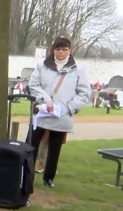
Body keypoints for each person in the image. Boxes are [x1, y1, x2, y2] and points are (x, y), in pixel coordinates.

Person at [27, 36, 92, 188]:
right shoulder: (41, 65)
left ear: (70, 50)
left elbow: (84, 93)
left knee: (55, 147)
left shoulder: (78, 69)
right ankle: (26, 174)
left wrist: (68, 108)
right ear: (53, 50)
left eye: (64, 49)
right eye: (58, 49)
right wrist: (46, 99)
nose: (61, 52)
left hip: (62, 114)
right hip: (42, 112)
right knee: (31, 144)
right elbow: (34, 85)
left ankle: (48, 177)